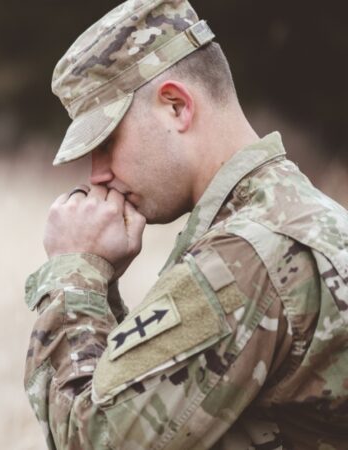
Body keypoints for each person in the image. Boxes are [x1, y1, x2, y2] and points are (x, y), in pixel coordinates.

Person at [22, 0, 348, 448]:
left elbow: (96, 439)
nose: (95, 173)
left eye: (107, 140)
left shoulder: (249, 255)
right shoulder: (293, 215)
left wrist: (74, 275)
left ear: (176, 106)